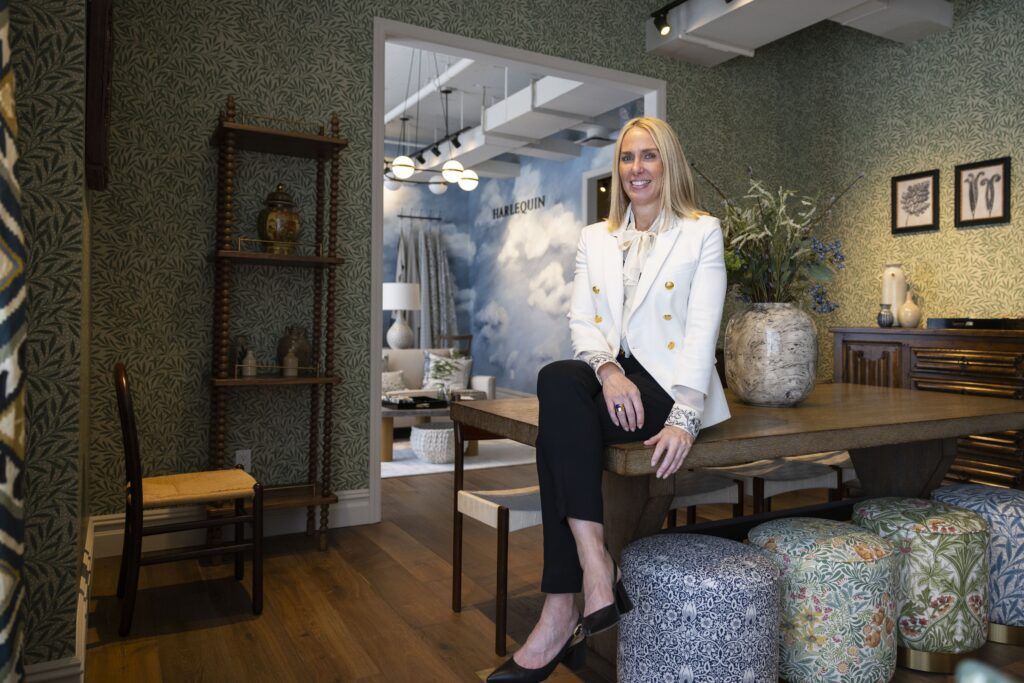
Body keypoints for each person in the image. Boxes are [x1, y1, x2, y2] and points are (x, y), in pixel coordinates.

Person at [487, 116, 731, 683]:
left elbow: (702, 330)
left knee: (558, 433)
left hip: (668, 385)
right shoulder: (596, 237)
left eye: (648, 156)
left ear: (668, 164)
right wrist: (607, 369)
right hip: (616, 380)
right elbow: (583, 319)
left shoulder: (700, 231)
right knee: (557, 379)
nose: (636, 169)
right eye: (626, 158)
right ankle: (595, 566)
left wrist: (685, 418)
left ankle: (560, 606)